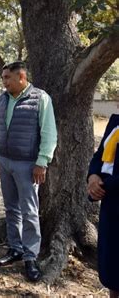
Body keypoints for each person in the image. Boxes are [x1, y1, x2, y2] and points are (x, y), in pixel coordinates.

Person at [0, 61, 57, 282]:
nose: (4, 82)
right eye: (3, 79)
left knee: (29, 211)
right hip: (5, 161)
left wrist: (42, 162)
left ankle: (30, 257)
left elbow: (49, 133)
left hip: (28, 165)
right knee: (11, 208)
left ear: (21, 77)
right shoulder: (2, 99)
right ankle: (15, 248)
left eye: (7, 78)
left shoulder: (40, 98)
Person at [87, 114, 119, 298]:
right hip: (110, 205)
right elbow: (100, 155)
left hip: (110, 191)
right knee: (111, 268)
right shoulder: (115, 121)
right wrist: (93, 177)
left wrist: (101, 186)